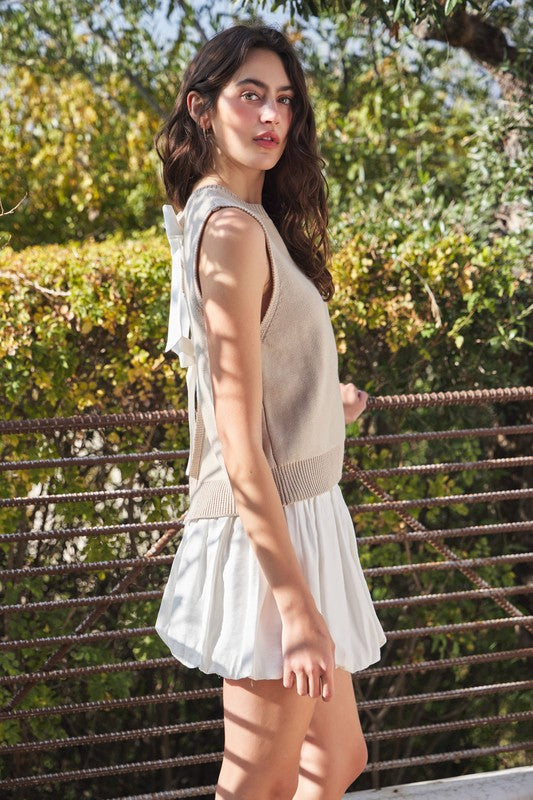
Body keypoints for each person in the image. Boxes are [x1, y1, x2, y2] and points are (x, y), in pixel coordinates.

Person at [154, 23, 387, 800]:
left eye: (282, 100)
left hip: (305, 514)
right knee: (256, 781)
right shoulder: (227, 231)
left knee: (337, 759)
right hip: (270, 539)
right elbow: (237, 438)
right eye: (248, 95)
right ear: (202, 108)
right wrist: (294, 606)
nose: (270, 116)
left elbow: (265, 385)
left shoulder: (247, 225)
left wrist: (330, 401)